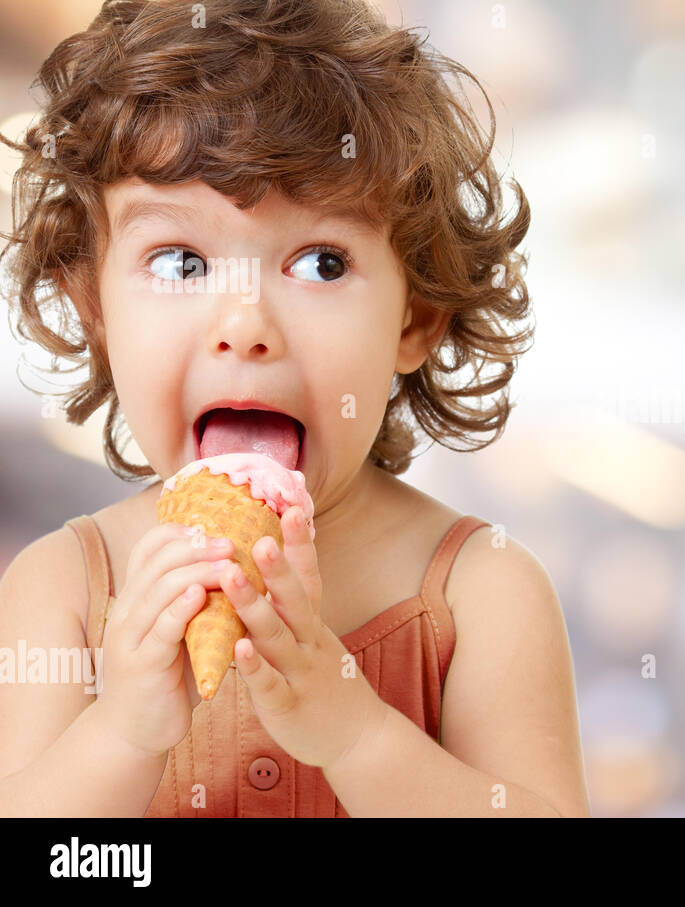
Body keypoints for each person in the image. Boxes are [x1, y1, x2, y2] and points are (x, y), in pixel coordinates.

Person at [0, 0, 588, 818]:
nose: (245, 327)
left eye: (319, 263)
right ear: (94, 307)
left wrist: (353, 735)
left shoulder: (483, 593)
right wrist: (124, 736)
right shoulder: (60, 589)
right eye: (179, 260)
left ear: (415, 316)